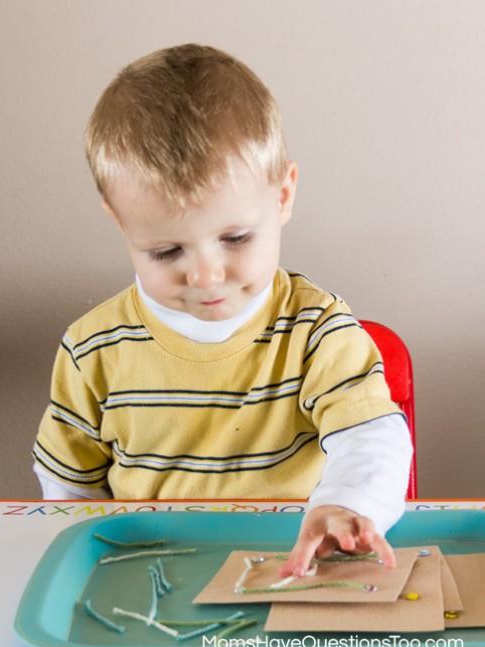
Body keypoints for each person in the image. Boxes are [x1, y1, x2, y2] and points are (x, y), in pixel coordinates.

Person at [33, 44, 412, 577]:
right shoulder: (91, 350)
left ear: (282, 196)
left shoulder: (318, 332)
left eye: (234, 238)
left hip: (295, 572)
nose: (206, 275)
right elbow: (69, 493)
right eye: (167, 252)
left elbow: (371, 436)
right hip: (147, 584)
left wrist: (348, 505)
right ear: (121, 222)